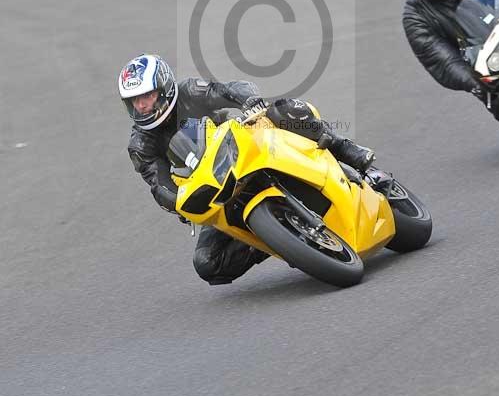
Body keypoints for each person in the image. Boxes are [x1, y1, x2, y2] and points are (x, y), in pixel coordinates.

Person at [119, 54, 377, 285]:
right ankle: (278, 241)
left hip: (241, 144)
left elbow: (227, 90)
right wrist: (179, 203)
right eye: (134, 101)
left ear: (164, 89)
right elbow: (159, 185)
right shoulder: (141, 145)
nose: (141, 106)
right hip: (215, 186)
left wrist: (249, 100)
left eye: (147, 96)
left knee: (282, 110)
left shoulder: (187, 91)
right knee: (207, 262)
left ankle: (345, 149)